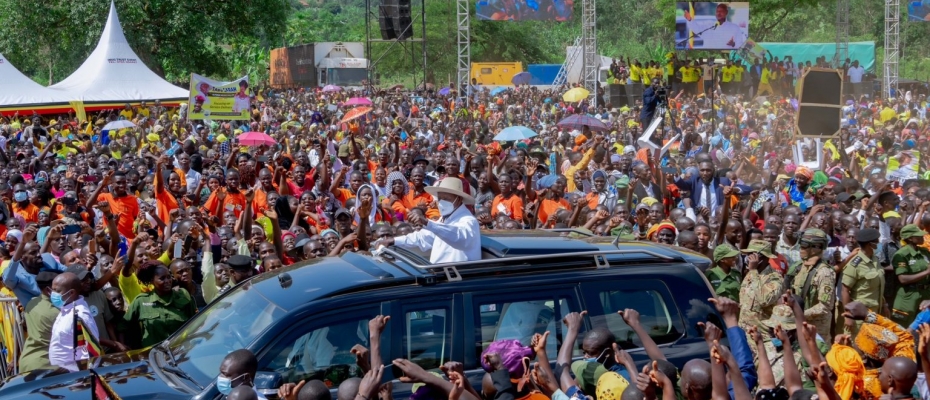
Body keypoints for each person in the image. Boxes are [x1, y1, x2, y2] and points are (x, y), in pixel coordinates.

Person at [376, 178, 481, 263]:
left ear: (458, 199)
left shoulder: (468, 221)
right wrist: (393, 241)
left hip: (460, 279)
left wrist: (427, 223)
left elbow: (458, 237)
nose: (441, 202)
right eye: (440, 198)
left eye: (446, 198)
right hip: (442, 274)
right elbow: (422, 237)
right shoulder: (444, 219)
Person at [123, 261, 197, 348]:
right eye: (162, 278)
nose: (167, 281)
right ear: (152, 281)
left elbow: (194, 322)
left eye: (169, 277)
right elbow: (124, 326)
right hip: (152, 354)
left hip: (180, 350)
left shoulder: (183, 295)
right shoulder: (141, 301)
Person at [48, 271, 99, 372]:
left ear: (71, 292)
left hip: (75, 376)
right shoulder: (66, 308)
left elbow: (91, 350)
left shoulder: (80, 315)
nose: (53, 294)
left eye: (57, 291)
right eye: (52, 290)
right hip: (62, 375)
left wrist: (85, 378)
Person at [18, 271, 60, 372]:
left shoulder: (32, 303)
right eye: (60, 288)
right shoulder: (56, 312)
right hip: (45, 365)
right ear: (48, 290)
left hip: (27, 362)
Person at [891, 224, 930, 327]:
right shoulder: (902, 254)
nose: (922, 237)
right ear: (910, 238)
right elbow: (903, 279)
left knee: (923, 328)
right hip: (908, 297)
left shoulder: (924, 252)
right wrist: (927, 272)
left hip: (926, 294)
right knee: (903, 329)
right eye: (919, 235)